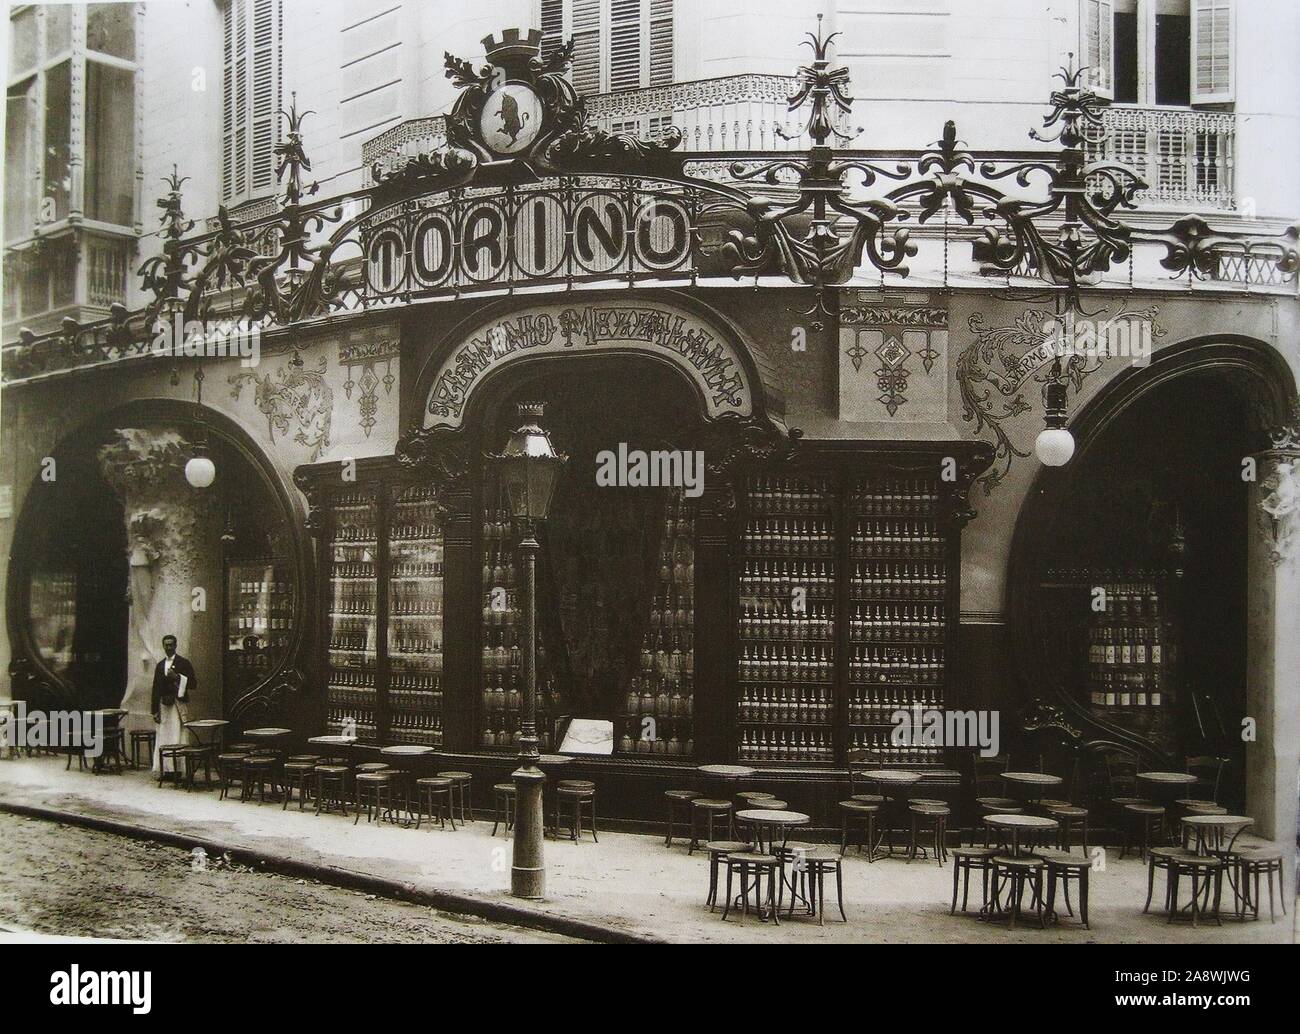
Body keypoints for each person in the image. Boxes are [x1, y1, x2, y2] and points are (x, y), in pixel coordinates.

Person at [150, 635, 198, 776]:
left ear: (176, 645)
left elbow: (194, 684)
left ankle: (179, 769)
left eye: (171, 645)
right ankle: (166, 769)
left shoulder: (184, 663)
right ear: (163, 646)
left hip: (177, 705)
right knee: (164, 736)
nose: (168, 648)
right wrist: (154, 710)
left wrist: (177, 677)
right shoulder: (160, 665)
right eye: (166, 645)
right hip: (164, 706)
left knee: (178, 734)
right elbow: (156, 688)